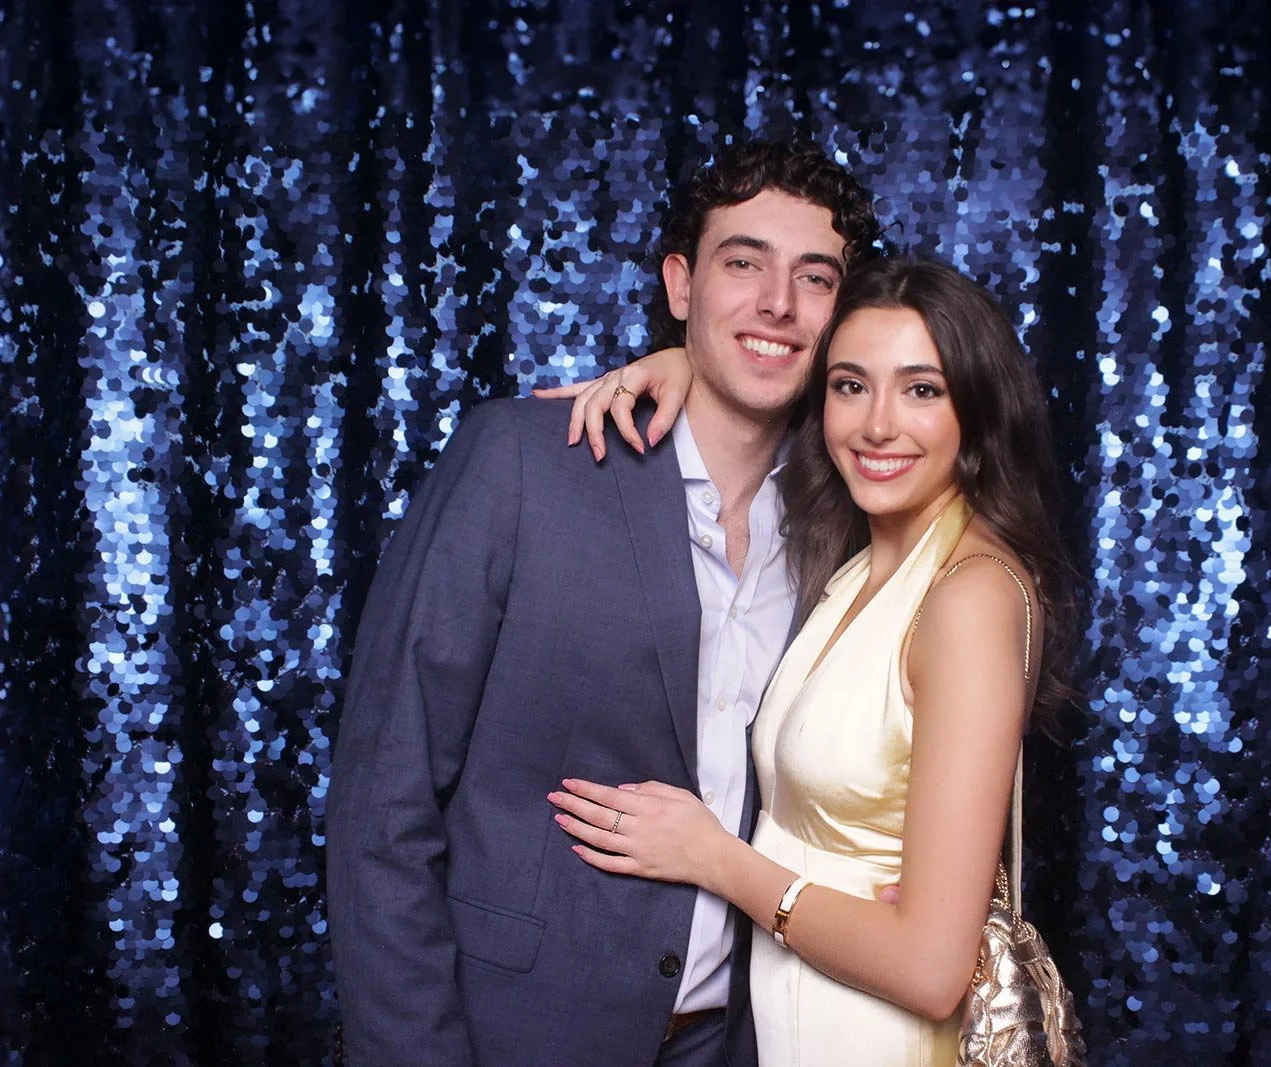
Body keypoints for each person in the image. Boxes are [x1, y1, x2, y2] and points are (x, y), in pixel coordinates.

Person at [324, 138, 882, 1067]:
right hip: (510, 1037)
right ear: (681, 284)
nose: (777, 303)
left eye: (815, 278)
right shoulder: (520, 461)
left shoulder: (853, 529)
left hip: (742, 1040)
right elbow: (383, 799)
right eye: (743, 262)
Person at [548, 257, 1078, 1066]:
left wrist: (714, 858)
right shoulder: (858, 565)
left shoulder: (969, 596)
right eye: (851, 385)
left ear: (978, 408)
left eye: (922, 389)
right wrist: (686, 361)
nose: (877, 425)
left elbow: (932, 972)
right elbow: (765, 383)